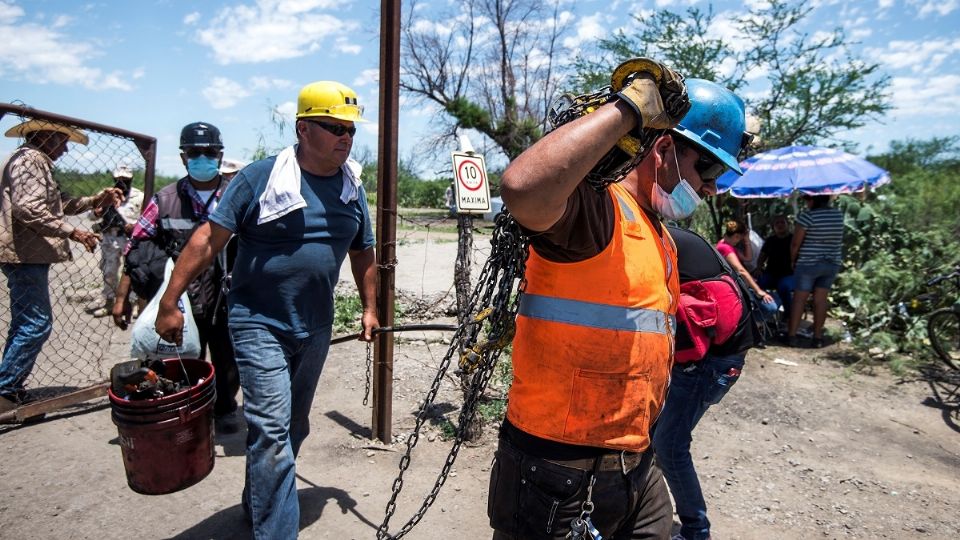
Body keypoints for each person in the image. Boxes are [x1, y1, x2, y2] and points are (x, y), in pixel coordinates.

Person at [486, 68, 750, 539]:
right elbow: (523, 188)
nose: (711, 188)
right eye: (708, 169)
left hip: (634, 464)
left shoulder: (660, 235)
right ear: (665, 149)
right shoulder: (595, 210)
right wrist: (631, 108)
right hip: (557, 470)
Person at [153, 81, 378, 540]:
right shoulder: (260, 179)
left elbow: (364, 252)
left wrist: (370, 308)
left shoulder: (351, 187)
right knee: (272, 431)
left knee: (294, 427)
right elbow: (207, 239)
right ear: (303, 129)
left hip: (314, 324)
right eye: (334, 127)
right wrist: (170, 301)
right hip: (258, 322)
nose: (345, 138)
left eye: (350, 130)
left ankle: (258, 501)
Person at [113, 122, 241, 432]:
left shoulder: (236, 195)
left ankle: (224, 409)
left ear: (220, 155)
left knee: (227, 357)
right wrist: (121, 298)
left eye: (209, 152)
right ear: (183, 157)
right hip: (180, 298)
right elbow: (136, 249)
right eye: (194, 153)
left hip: (228, 296)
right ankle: (189, 411)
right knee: (184, 357)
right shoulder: (166, 199)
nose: (202, 158)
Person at [0, 120, 121, 413]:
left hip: (28, 254)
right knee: (36, 324)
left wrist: (95, 199)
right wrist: (73, 232)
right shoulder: (30, 160)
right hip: (24, 254)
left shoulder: (34, 161)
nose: (66, 149)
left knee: (26, 322)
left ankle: (8, 388)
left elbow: (59, 204)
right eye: (62, 141)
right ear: (44, 137)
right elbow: (28, 208)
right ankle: (5, 391)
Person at [653, 225, 755, 540]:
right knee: (654, 436)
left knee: (668, 446)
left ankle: (697, 530)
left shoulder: (653, 238)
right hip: (716, 357)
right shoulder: (673, 237)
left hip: (709, 364)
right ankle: (641, 507)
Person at [785, 194, 844, 348]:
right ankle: (817, 337)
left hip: (808, 263)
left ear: (813, 200)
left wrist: (792, 260)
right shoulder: (837, 215)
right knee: (821, 300)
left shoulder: (808, 216)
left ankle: (791, 335)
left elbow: (796, 243)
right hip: (831, 263)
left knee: (800, 299)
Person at [86, 166, 144, 317]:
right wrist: (96, 212)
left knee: (133, 271)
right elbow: (90, 216)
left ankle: (134, 303)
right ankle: (110, 303)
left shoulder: (139, 196)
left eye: (125, 180)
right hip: (110, 238)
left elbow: (147, 218)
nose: (121, 183)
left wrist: (134, 227)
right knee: (109, 271)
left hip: (130, 239)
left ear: (131, 180)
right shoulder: (105, 195)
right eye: (118, 180)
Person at [716, 219, 776, 315]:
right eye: (740, 238)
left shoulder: (726, 244)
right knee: (772, 307)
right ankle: (754, 324)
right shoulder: (725, 248)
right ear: (736, 236)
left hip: (744, 284)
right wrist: (758, 291)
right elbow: (741, 270)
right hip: (739, 287)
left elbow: (748, 258)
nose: (740, 241)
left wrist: (747, 240)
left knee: (774, 297)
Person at [757, 214, 795, 321]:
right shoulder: (770, 240)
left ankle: (788, 314)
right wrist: (759, 268)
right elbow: (762, 256)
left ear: (788, 224)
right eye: (777, 223)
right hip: (771, 273)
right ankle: (762, 310)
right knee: (759, 283)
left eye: (782, 222)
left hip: (789, 274)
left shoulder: (793, 240)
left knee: (783, 286)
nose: (780, 225)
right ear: (773, 226)